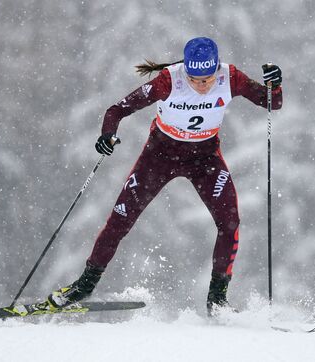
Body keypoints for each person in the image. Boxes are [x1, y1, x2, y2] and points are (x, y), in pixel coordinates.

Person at [47, 37, 282, 314]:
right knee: (119, 222)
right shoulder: (169, 81)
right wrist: (107, 135)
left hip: (204, 160)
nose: (202, 86)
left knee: (230, 222)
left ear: (216, 70)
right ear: (186, 70)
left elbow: (271, 103)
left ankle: (217, 300)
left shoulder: (230, 77)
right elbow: (117, 110)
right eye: (195, 79)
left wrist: (274, 84)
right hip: (159, 157)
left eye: (207, 79)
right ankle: (84, 286)